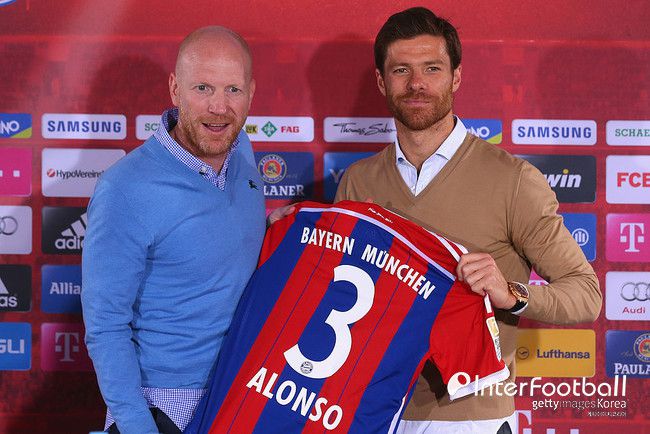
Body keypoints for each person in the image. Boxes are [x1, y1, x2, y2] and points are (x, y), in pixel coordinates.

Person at [334, 7, 601, 434]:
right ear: (382, 81)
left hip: (473, 420)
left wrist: (511, 293)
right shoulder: (357, 180)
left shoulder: (513, 180)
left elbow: (586, 294)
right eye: (401, 70)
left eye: (432, 68)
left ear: (456, 77)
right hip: (372, 414)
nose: (416, 83)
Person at [82, 26, 267, 434]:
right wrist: (137, 426)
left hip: (243, 398)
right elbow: (106, 325)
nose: (219, 107)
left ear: (251, 93)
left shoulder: (242, 154)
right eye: (203, 88)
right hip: (162, 410)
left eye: (233, 90)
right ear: (175, 89)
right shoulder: (125, 188)